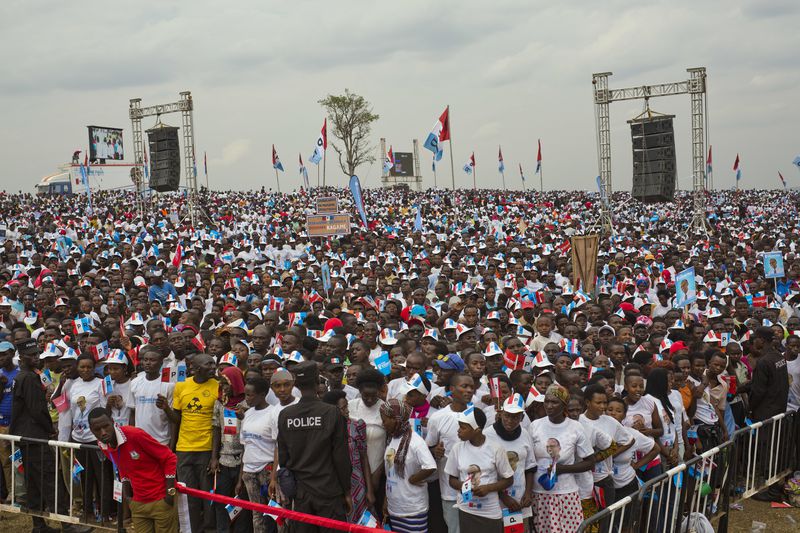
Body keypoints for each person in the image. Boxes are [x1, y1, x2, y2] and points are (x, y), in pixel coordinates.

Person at [10, 339, 90, 533]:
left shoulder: (24, 376)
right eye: (32, 355)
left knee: (35, 482)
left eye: (38, 354)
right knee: (50, 480)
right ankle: (67, 525)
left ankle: (39, 525)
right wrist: (49, 429)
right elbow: (37, 410)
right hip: (35, 436)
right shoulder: (28, 378)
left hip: (27, 436)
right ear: (21, 357)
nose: (37, 358)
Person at [277, 360, 352, 532]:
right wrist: (346, 491)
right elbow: (341, 457)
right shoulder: (331, 412)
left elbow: (283, 457)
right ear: (317, 382)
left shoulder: (285, 415)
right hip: (329, 491)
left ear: (295, 384)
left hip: (301, 493)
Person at [88, 407, 178, 533]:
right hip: (138, 504)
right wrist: (128, 496)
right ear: (91, 431)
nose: (103, 432)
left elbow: (169, 458)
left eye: (106, 426)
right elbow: (122, 466)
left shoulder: (135, 435)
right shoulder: (102, 444)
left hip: (161, 500)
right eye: (97, 430)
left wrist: (170, 493)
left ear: (113, 422)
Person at [528, 385, 595, 533]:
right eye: (547, 401)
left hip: (566, 494)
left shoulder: (575, 427)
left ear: (564, 404)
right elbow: (529, 460)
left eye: (555, 402)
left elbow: (590, 462)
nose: (549, 406)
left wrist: (562, 469)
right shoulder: (535, 426)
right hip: (539, 493)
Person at [164, 353, 218, 532]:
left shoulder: (218, 387)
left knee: (207, 495)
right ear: (195, 368)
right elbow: (176, 419)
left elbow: (218, 424)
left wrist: (214, 456)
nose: (213, 367)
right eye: (208, 364)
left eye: (213, 363)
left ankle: (209, 529)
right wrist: (166, 408)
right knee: (189, 496)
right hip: (184, 449)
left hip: (206, 449)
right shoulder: (181, 387)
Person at [444, 404, 514, 533]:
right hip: (467, 509)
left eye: (463, 427)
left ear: (477, 429)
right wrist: (465, 486)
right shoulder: (457, 448)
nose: (458, 431)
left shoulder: (495, 449)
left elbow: (509, 480)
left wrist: (488, 488)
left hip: (489, 512)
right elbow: (452, 480)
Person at [379, 398, 436, 532]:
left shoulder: (416, 442)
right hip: (395, 507)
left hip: (413, 509)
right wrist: (386, 500)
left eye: (385, 419)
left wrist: (412, 479)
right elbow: (389, 473)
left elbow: (430, 466)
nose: (382, 423)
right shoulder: (392, 439)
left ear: (395, 419)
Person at [322, 389, 373, 523]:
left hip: (357, 484)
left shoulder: (357, 426)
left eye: (347, 406)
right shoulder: (326, 431)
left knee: (362, 523)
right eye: (342, 408)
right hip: (336, 486)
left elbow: (364, 457)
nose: (347, 411)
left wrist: (369, 490)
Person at [210, 366, 248, 533]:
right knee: (221, 501)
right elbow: (216, 429)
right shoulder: (219, 403)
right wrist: (213, 457)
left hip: (243, 459)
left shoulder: (247, 404)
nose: (223, 388)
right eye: (221, 384)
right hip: (224, 458)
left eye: (226, 384)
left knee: (240, 502)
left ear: (237, 383)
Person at [0, 340, 19, 501]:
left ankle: (22, 492)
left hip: (18, 423)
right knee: (6, 461)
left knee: (20, 459)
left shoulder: (20, 373)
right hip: (1, 424)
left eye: (4, 354)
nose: (1, 357)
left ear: (12, 354)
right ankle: (11, 491)